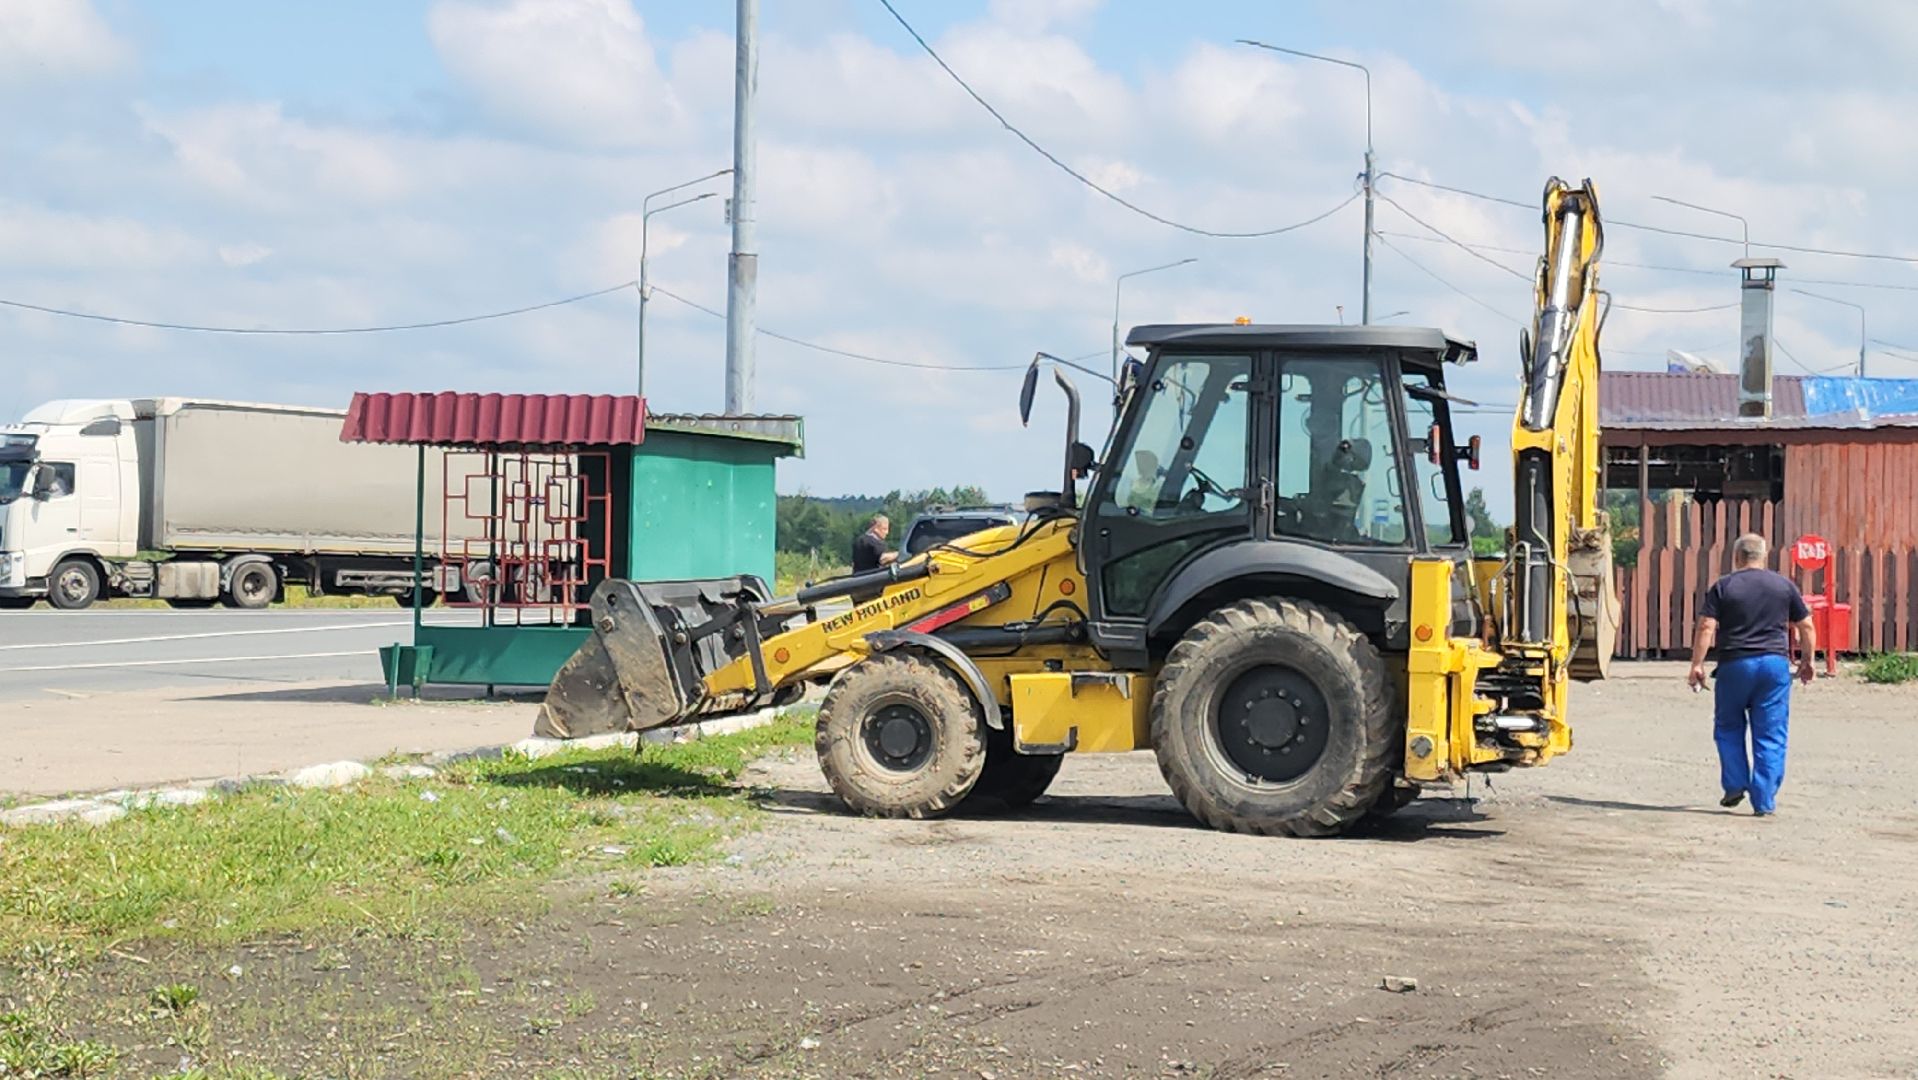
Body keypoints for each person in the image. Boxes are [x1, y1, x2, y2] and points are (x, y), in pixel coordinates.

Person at [1687, 533, 1817, 817]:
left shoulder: (1724, 586)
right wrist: (1807, 660)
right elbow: (1806, 626)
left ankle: (1734, 784)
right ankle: (1764, 800)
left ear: (1736, 557)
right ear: (1763, 555)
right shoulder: (1784, 585)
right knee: (1771, 733)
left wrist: (1697, 664)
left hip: (1735, 665)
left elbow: (1706, 626)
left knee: (1728, 726)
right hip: (1773, 666)